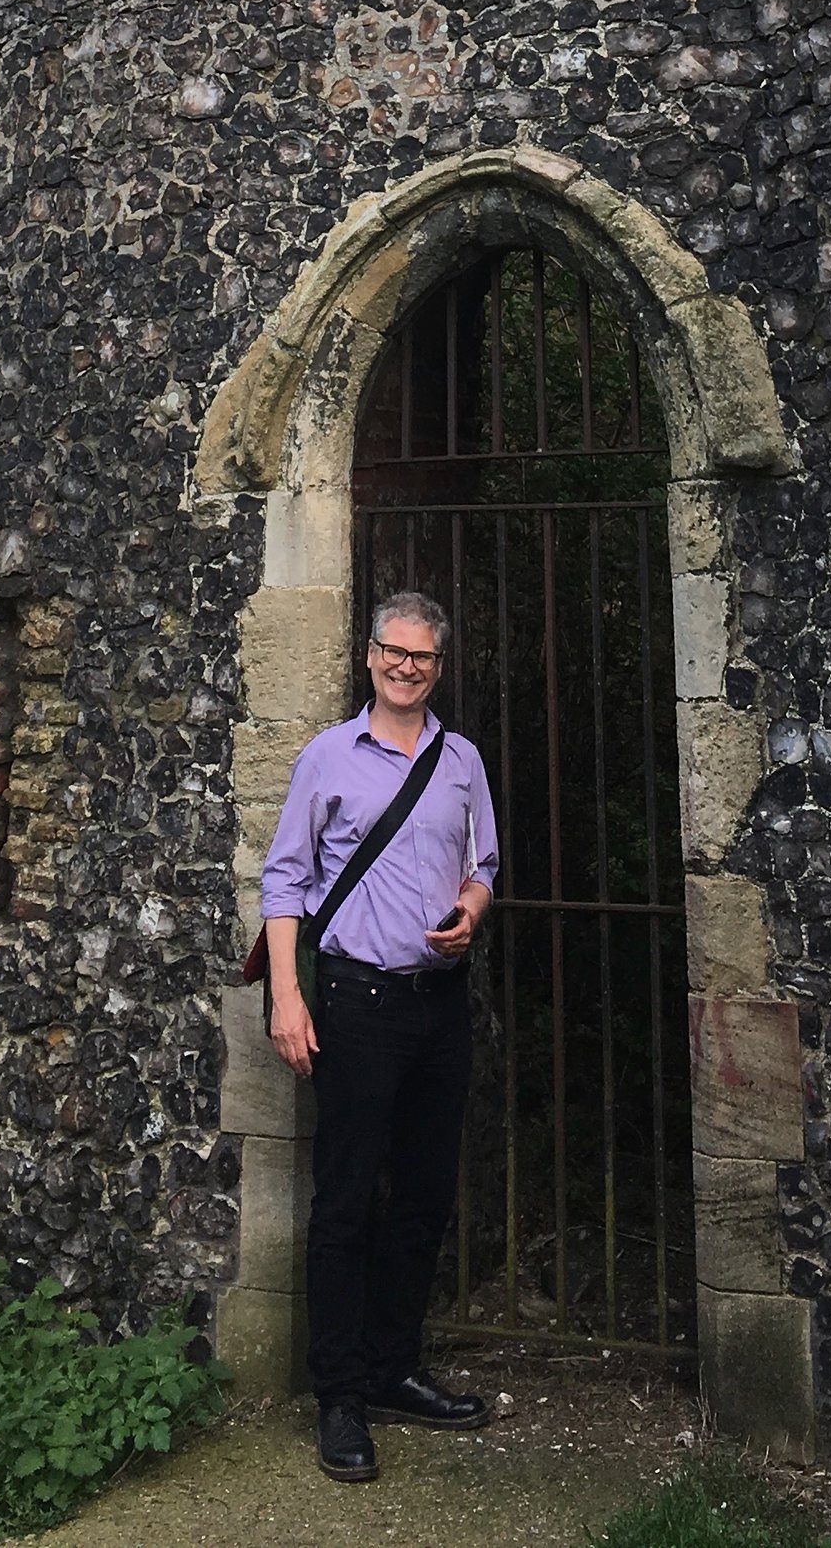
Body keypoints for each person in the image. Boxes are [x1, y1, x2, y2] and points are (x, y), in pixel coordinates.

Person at [259, 587, 499, 1485]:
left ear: (440, 666)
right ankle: (340, 1393)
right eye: (394, 653)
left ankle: (395, 1365)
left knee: (426, 1195)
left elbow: (484, 863)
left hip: (438, 1005)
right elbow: (285, 882)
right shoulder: (327, 756)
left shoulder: (464, 759)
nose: (407, 667)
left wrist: (471, 910)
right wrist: (291, 996)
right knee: (346, 1199)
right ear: (370, 657)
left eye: (423, 658)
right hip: (354, 1002)